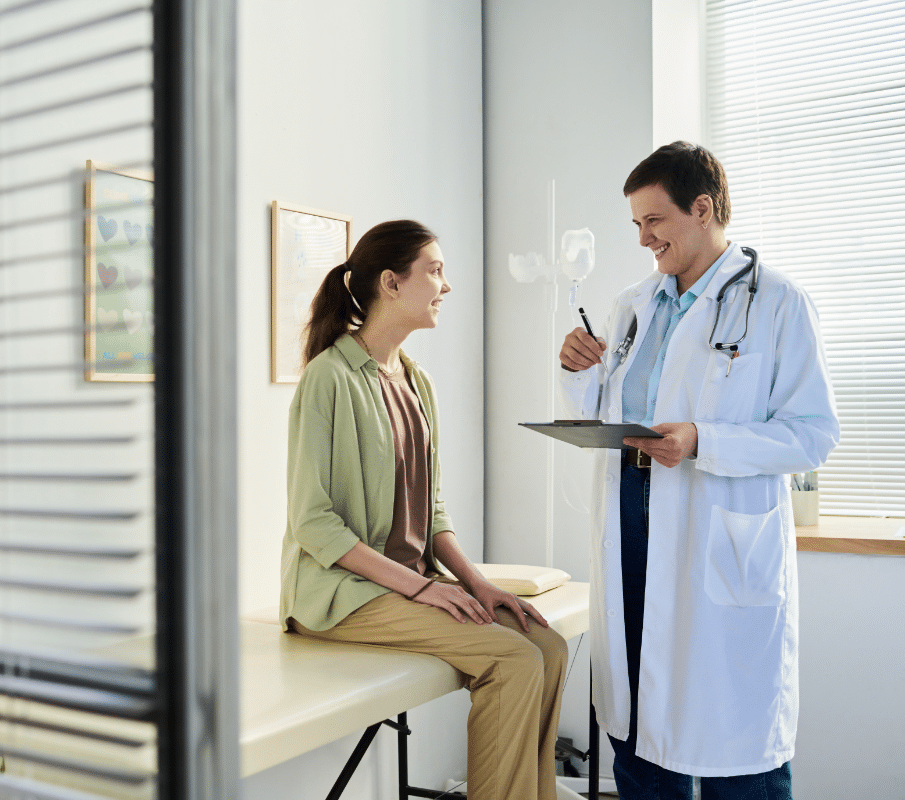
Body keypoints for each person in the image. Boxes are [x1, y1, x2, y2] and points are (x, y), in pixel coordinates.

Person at [558, 142, 840, 800]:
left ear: (703, 208)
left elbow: (813, 435)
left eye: (653, 221)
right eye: (635, 224)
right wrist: (581, 372)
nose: (642, 239)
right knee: (640, 740)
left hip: (718, 554)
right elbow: (612, 409)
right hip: (632, 540)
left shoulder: (777, 302)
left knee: (736, 759)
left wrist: (703, 442)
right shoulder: (634, 305)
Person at [280, 219, 568, 800]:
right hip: (339, 593)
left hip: (404, 585)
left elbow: (432, 512)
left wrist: (477, 585)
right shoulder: (328, 378)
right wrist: (417, 590)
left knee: (549, 646)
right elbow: (313, 521)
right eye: (434, 270)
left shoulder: (416, 381)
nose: (447, 285)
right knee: (512, 658)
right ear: (391, 282)